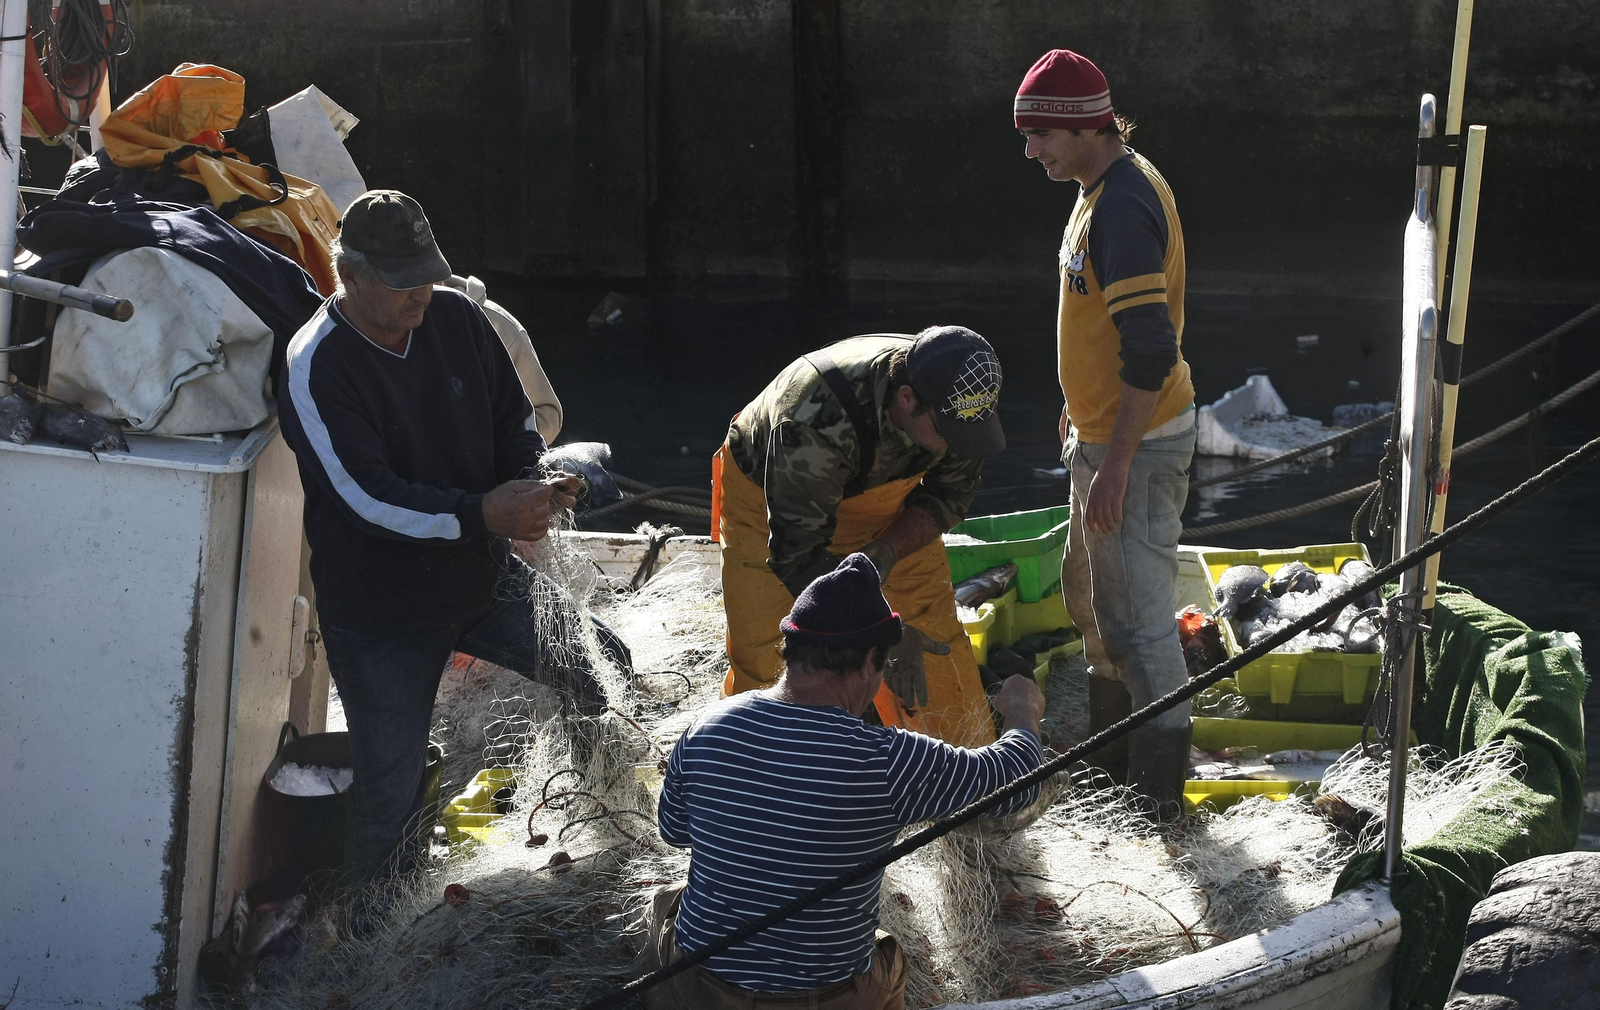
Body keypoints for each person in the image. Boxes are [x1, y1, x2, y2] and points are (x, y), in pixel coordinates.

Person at [277, 189, 630, 884]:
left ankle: (603, 824)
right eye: (402, 283)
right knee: (391, 799)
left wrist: (534, 482)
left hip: (480, 578)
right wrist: (484, 514)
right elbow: (366, 498)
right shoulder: (314, 364)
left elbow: (514, 423)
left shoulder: (459, 317)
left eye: (428, 275)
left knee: (601, 665)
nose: (421, 295)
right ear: (350, 275)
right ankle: (376, 934)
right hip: (381, 615)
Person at [643, 554, 1046, 1010]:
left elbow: (674, 831)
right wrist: (1022, 711)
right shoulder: (887, 759)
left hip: (698, 986)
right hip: (816, 1000)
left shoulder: (709, 725)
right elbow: (1015, 782)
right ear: (871, 662)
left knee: (668, 902)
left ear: (791, 649)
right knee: (888, 954)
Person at [1015, 50, 1196, 813]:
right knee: (1090, 600)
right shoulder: (1095, 187)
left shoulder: (1122, 204)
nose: (1032, 151)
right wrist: (1077, 406)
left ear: (1085, 126)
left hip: (1137, 447)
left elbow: (1150, 349)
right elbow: (1102, 321)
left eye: (1040, 135)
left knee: (1140, 627)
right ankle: (1112, 766)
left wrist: (1116, 464)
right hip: (1099, 435)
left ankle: (1157, 804)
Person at [716, 326, 1006, 748]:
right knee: (768, 653)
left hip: (887, 511)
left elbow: (949, 494)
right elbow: (796, 556)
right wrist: (882, 633)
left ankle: (965, 769)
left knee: (934, 639)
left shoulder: (961, 402)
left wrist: (886, 552)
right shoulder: (812, 422)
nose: (956, 445)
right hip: (774, 508)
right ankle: (760, 766)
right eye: (946, 432)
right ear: (906, 399)